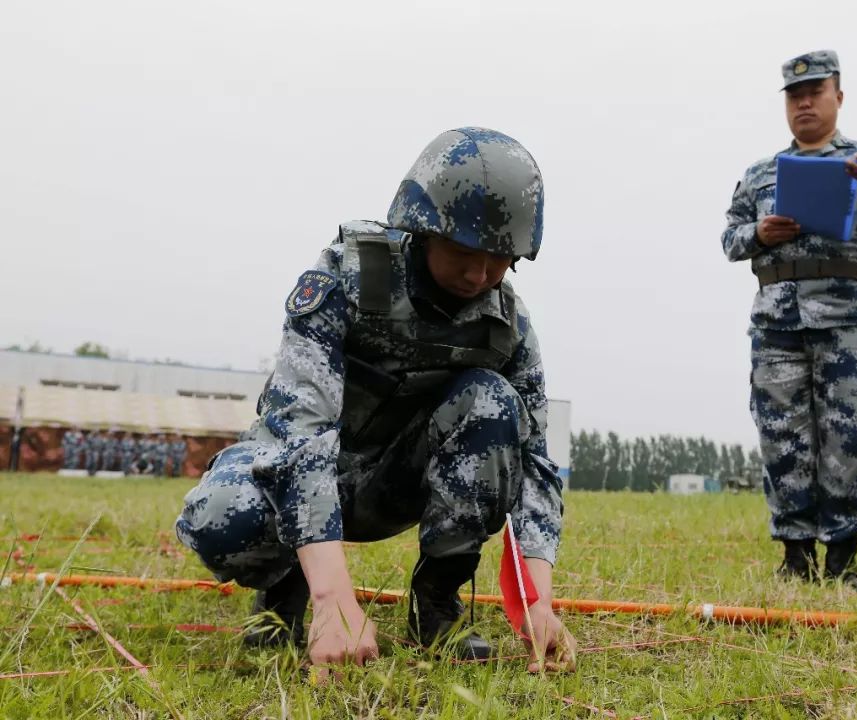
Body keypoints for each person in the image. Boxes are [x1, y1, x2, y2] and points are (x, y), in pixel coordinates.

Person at [176, 127, 575, 673]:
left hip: (395, 485)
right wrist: (333, 598)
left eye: (500, 259)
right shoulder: (348, 279)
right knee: (223, 516)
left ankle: (437, 605)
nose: (479, 274)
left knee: (493, 401)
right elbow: (299, 434)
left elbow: (535, 466)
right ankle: (288, 591)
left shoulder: (505, 326)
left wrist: (538, 603)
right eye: (463, 252)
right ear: (423, 230)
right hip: (310, 476)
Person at [721, 50, 857, 590]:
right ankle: (795, 555)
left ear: (839, 95)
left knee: (849, 436)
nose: (804, 102)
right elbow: (729, 238)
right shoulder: (761, 173)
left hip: (847, 321)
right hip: (777, 326)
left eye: (815, 91)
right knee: (782, 437)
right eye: (795, 95)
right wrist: (759, 234)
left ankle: (842, 558)